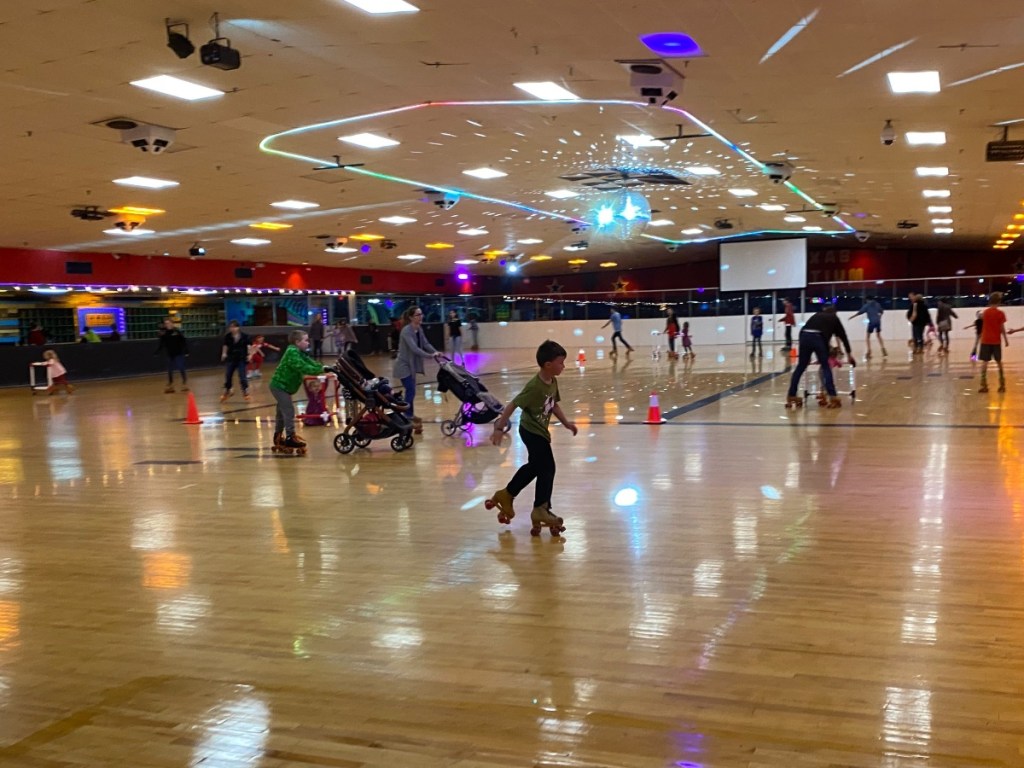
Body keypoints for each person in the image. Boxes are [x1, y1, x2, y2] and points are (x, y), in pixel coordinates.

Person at [486, 340, 578, 537]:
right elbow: (513, 404)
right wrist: (499, 427)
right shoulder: (534, 386)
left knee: (536, 467)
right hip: (530, 431)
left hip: (541, 432)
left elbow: (553, 405)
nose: (564, 366)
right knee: (548, 466)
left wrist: (566, 423)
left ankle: (507, 494)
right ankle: (540, 508)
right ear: (548, 364)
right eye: (561, 363)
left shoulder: (553, 382)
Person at [269, 330, 333, 453]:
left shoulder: (300, 353)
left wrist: (322, 368)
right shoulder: (292, 352)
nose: (308, 343)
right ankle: (290, 437)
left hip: (284, 387)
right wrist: (320, 370)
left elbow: (310, 363)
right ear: (297, 342)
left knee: (281, 413)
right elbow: (302, 367)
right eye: (306, 340)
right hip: (279, 386)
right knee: (288, 410)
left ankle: (277, 437)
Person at [785, 305, 856, 409]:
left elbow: (805, 330)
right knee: (826, 366)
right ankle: (833, 396)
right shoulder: (834, 318)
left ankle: (791, 395)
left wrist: (806, 354)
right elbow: (843, 336)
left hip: (804, 336)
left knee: (800, 367)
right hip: (818, 337)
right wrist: (849, 355)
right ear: (835, 313)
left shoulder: (817, 315)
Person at [393, 305, 444, 434]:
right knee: (410, 390)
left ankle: (409, 414)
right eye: (418, 315)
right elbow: (414, 348)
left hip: (411, 366)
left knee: (411, 391)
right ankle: (406, 415)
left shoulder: (418, 329)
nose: (421, 317)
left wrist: (435, 352)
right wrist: (429, 356)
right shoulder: (406, 331)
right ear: (411, 317)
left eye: (421, 314)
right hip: (403, 366)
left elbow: (426, 343)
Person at [976, 292, 1009, 393]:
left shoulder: (985, 312)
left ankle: (984, 385)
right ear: (999, 301)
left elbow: (983, 324)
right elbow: (1001, 328)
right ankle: (1002, 385)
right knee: (999, 362)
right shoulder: (1000, 313)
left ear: (990, 301)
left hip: (985, 340)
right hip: (996, 341)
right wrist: (1006, 339)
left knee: (984, 362)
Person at [220, 320, 251, 402]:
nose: (232, 329)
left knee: (242, 376)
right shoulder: (228, 336)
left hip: (241, 358)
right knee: (228, 375)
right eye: (231, 327)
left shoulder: (245, 336)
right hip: (231, 358)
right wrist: (224, 353)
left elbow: (249, 346)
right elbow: (225, 345)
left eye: (234, 327)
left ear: (238, 327)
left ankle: (245, 391)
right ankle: (227, 390)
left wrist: (249, 355)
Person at [155, 318, 189, 393]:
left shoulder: (177, 332)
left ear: (172, 323)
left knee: (181, 367)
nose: (167, 325)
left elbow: (183, 341)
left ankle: (184, 383)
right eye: (166, 323)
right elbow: (162, 343)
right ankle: (170, 385)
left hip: (179, 353)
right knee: (170, 370)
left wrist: (186, 351)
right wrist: (157, 351)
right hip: (170, 354)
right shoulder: (164, 333)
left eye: (169, 323)